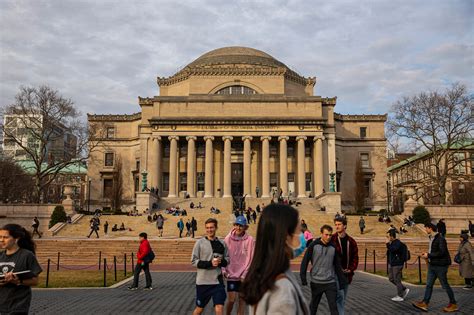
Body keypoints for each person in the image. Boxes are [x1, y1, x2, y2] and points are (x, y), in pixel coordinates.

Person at [241, 204, 309, 315]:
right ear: (286, 236)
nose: (302, 236)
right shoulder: (281, 289)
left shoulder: (262, 276)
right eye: (299, 231)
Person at [300, 224, 346, 315]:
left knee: (333, 307)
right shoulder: (313, 246)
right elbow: (305, 262)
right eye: (326, 234)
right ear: (321, 233)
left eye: (330, 235)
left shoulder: (333, 247)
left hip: (330, 282)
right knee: (313, 306)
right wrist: (303, 277)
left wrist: (341, 281)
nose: (328, 237)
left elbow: (337, 266)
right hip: (316, 282)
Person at [413, 223, 458, 312]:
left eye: (426, 228)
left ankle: (453, 304)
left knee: (445, 285)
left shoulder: (441, 238)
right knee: (429, 285)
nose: (425, 230)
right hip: (432, 265)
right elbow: (433, 250)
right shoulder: (431, 238)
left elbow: (442, 252)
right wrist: (426, 254)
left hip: (441, 266)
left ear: (430, 228)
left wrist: (429, 255)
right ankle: (425, 303)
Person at [0, 224, 42, 314]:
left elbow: (35, 281)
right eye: (0, 237)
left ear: (16, 239)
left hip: (19, 306)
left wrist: (18, 281)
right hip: (2, 305)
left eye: (5, 237)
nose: (1, 240)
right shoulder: (0, 256)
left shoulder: (27, 255)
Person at [191, 218, 229, 315]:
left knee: (219, 308)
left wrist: (221, 262)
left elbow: (228, 259)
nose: (209, 230)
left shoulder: (222, 243)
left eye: (211, 227)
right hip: (203, 282)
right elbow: (194, 261)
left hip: (217, 282)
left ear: (216, 228)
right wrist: (209, 263)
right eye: (207, 228)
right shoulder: (199, 243)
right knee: (199, 309)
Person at [223, 216, 255, 315]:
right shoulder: (227, 239)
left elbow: (252, 258)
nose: (238, 228)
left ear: (245, 227)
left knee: (242, 301)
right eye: (237, 225)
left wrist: (245, 274)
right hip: (231, 275)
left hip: (243, 276)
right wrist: (224, 270)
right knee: (231, 300)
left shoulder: (250, 240)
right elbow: (223, 255)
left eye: (241, 226)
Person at [331, 216, 358, 315]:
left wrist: (350, 269)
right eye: (336, 225)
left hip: (347, 274)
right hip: (335, 273)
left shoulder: (351, 241)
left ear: (345, 226)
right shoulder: (332, 239)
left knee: (342, 298)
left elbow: (355, 257)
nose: (337, 226)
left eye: (339, 224)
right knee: (340, 296)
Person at [386, 230, 409, 301]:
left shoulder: (397, 243)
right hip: (392, 263)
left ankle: (400, 296)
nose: (387, 238)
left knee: (397, 279)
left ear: (392, 236)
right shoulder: (392, 242)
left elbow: (393, 250)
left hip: (397, 264)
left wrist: (387, 244)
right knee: (391, 278)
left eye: (388, 236)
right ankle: (404, 289)